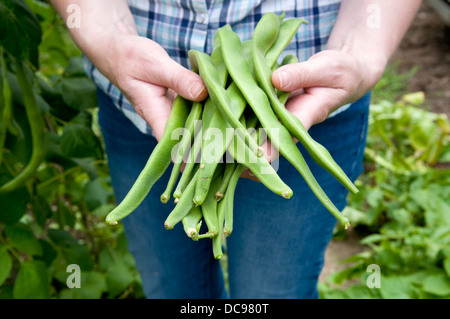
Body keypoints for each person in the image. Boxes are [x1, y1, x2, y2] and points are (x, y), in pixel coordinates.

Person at [50, 0, 422, 299]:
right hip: (136, 94)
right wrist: (107, 40)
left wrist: (360, 53)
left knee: (273, 293)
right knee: (171, 289)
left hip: (310, 96)